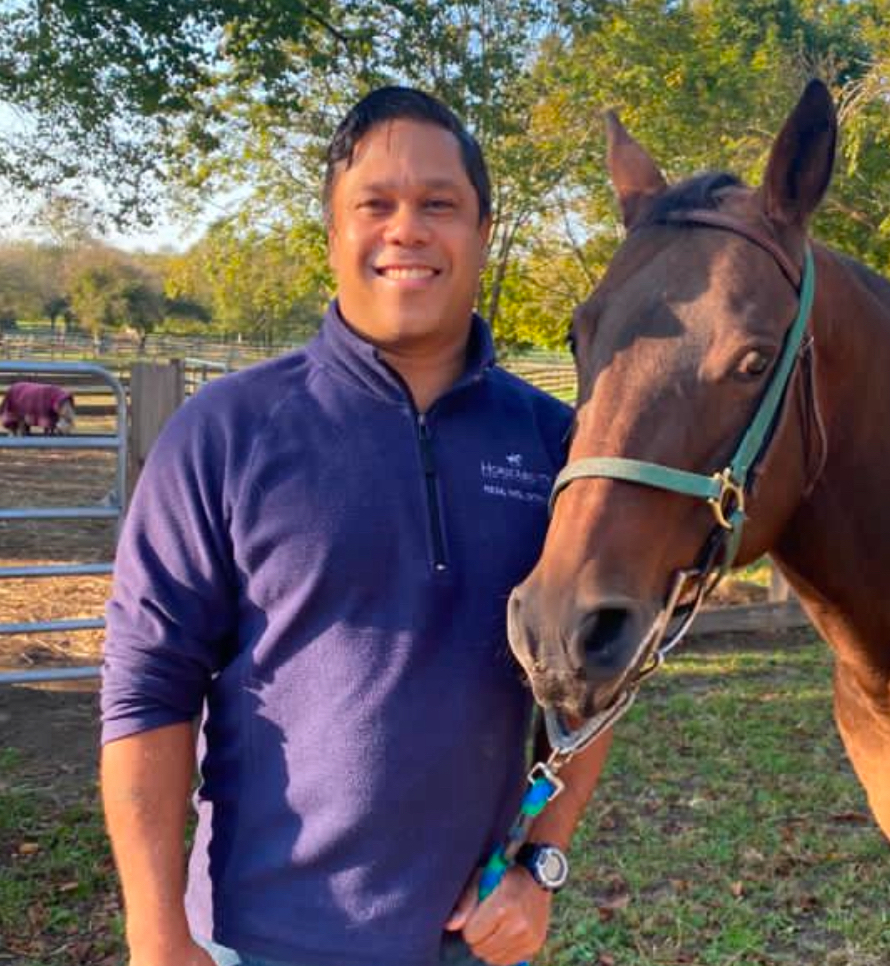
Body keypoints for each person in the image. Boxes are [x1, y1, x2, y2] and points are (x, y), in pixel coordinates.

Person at [100, 86, 610, 966]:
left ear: (483, 230)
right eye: (375, 204)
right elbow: (149, 687)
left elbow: (593, 681)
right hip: (254, 941)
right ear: (334, 234)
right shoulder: (227, 433)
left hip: (468, 944)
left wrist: (542, 863)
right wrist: (156, 937)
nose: (407, 229)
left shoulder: (552, 444)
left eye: (439, 205)